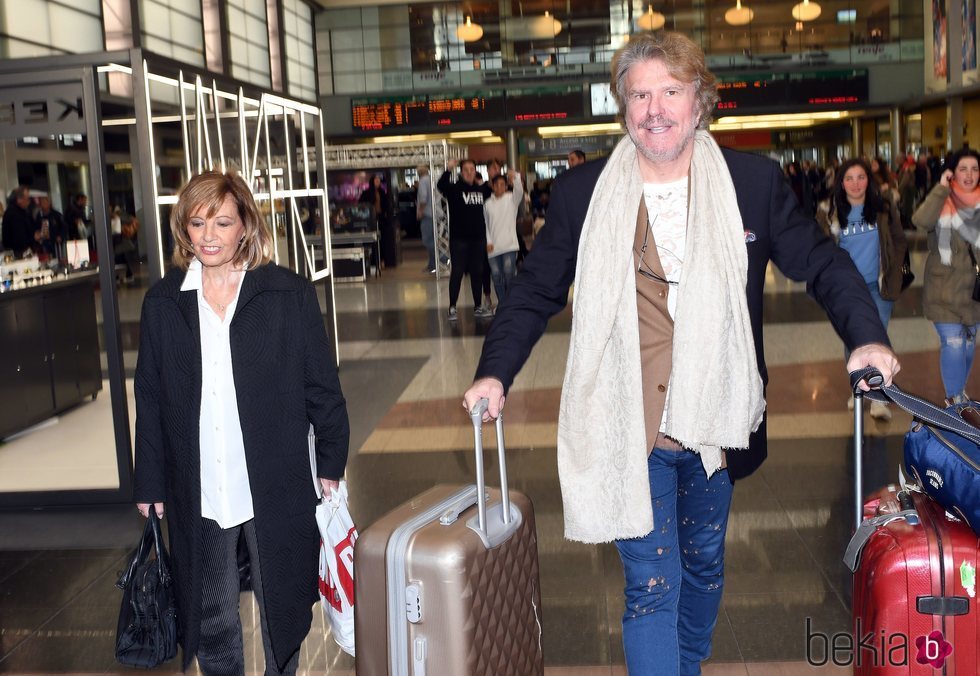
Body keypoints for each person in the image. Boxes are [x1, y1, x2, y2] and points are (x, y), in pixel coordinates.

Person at [461, 32, 900, 675]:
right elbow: (533, 289)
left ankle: (686, 663)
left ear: (700, 102)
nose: (655, 108)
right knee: (650, 587)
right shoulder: (586, 194)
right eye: (640, 94)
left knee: (703, 566)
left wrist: (867, 335)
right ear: (623, 106)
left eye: (670, 90)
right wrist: (493, 373)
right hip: (625, 427)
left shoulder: (752, 184)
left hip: (713, 427)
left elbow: (824, 265)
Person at [133, 171, 350, 675]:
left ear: (244, 226)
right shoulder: (165, 304)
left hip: (274, 481)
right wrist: (151, 480)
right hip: (201, 484)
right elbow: (150, 397)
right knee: (210, 617)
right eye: (198, 222)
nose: (209, 236)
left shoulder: (285, 294)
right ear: (184, 229)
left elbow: (321, 384)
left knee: (283, 606)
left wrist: (332, 461)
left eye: (222, 222)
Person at [817, 158, 907, 420]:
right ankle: (859, 387)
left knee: (877, 338)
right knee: (853, 340)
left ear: (869, 179)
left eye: (861, 177)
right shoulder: (829, 211)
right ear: (840, 182)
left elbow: (899, 240)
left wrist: (892, 269)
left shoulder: (883, 208)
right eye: (849, 178)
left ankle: (880, 398)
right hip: (848, 289)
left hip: (878, 285)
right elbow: (821, 250)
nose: (855, 183)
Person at [912, 148, 980, 404]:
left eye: (974, 169)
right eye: (963, 169)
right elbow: (920, 220)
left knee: (968, 345)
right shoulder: (941, 199)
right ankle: (954, 401)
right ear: (951, 172)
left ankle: (958, 392)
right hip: (943, 291)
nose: (969, 175)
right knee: (953, 342)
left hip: (973, 292)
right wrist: (941, 188)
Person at [437, 158, 492, 320]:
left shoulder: (482, 190)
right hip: (459, 239)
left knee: (477, 272)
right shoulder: (454, 189)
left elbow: (498, 189)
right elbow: (441, 186)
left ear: (475, 171)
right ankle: (452, 307)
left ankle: (477, 306)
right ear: (461, 172)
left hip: (478, 239)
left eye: (472, 169)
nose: (469, 172)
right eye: (466, 169)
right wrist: (448, 169)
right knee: (458, 272)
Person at [484, 169, 524, 304]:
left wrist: (516, 177)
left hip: (509, 246)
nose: (499, 187)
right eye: (497, 185)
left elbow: (519, 191)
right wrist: (488, 241)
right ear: (492, 186)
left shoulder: (512, 200)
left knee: (509, 275)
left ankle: (511, 303)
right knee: (496, 277)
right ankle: (502, 304)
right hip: (493, 248)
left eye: (502, 184)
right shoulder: (488, 203)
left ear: (506, 186)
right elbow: (486, 225)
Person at [359, 174, 395, 268]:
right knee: (372, 241)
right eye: (376, 181)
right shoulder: (366, 193)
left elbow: (386, 205)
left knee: (382, 241)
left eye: (379, 181)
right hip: (371, 220)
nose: (378, 183)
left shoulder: (382, 192)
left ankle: (382, 260)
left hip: (381, 218)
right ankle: (372, 261)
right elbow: (362, 205)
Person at [2, 186, 36, 256]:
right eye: (27, 199)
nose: (28, 202)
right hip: (18, 253)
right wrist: (34, 237)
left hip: (19, 250)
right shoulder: (14, 214)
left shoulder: (21, 212)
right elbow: (19, 238)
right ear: (19, 199)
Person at [416, 165, 437, 272]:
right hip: (435, 214)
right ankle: (432, 264)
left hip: (427, 214)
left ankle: (443, 259)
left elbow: (423, 197)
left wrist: (420, 211)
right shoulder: (432, 179)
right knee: (433, 239)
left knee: (427, 240)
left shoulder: (423, 181)